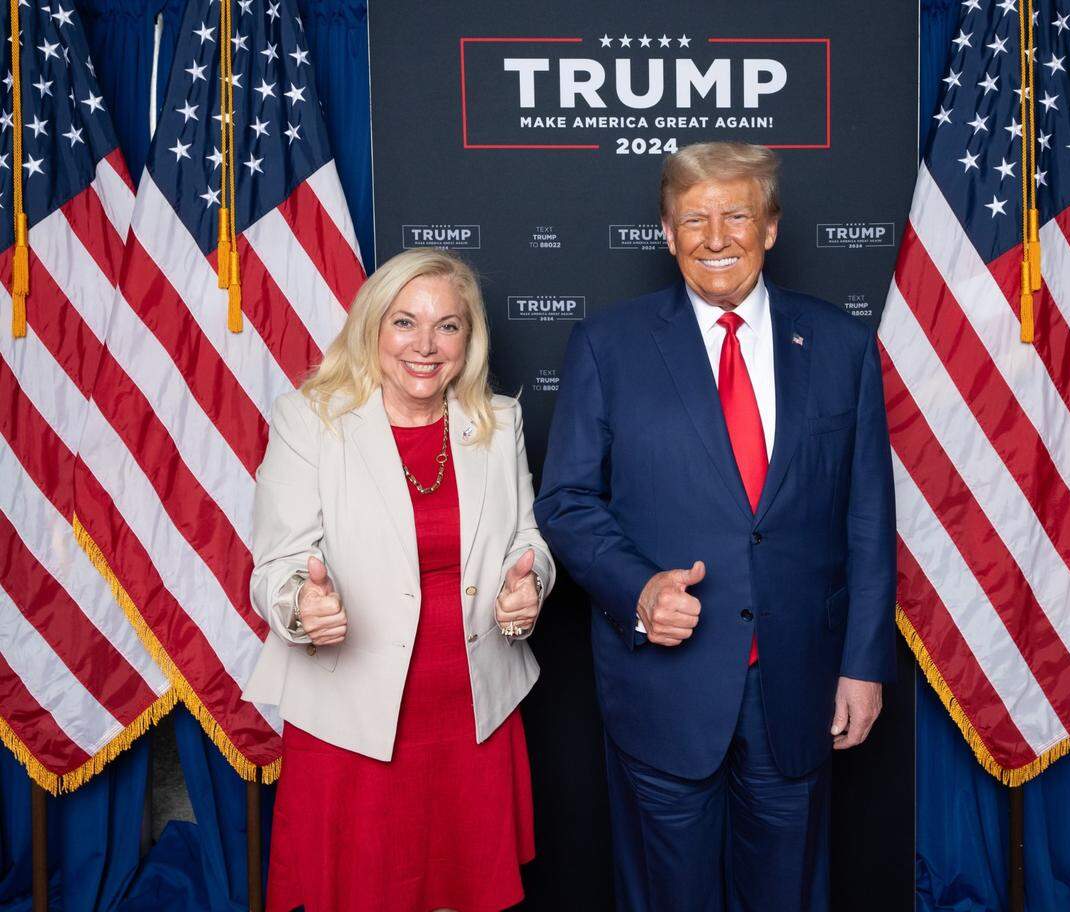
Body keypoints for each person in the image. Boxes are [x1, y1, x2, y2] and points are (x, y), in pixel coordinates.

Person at [534, 142, 896, 911]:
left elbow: (867, 519)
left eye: (736, 213)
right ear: (666, 234)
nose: (715, 235)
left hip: (798, 686)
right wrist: (637, 592)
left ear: (771, 227)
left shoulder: (841, 345)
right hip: (663, 690)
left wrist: (864, 665)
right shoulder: (609, 346)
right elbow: (565, 501)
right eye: (693, 218)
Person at [241, 248, 554, 912]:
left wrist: (530, 588)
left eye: (448, 325)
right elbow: (275, 567)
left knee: (461, 891)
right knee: (360, 892)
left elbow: (527, 542)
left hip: (474, 710)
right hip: (354, 716)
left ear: (469, 339)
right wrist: (302, 606)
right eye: (404, 322)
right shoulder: (312, 420)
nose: (425, 345)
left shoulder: (497, 423)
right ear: (372, 328)